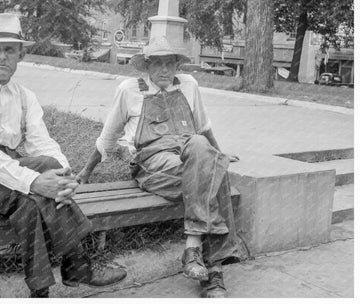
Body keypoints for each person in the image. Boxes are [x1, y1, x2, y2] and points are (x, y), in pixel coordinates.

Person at [0, 13, 127, 298]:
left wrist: (64, 176)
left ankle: (40, 290)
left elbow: (42, 142)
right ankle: (78, 263)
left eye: (9, 49)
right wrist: (35, 181)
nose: (2, 57)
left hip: (4, 174)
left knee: (31, 205)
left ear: (21, 54)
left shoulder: (24, 97)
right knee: (40, 176)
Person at [77, 36, 247, 298]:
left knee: (205, 153)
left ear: (178, 64)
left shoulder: (189, 85)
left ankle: (195, 254)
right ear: (147, 65)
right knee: (215, 174)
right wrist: (86, 172)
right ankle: (214, 271)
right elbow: (107, 138)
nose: (165, 70)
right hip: (153, 164)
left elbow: (203, 127)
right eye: (158, 64)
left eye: (170, 63)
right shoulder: (129, 89)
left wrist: (219, 154)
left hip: (190, 155)